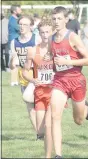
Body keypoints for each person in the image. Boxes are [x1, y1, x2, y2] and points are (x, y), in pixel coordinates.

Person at [50, 6, 88, 158]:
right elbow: (54, 60)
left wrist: (68, 61)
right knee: (55, 116)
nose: (56, 22)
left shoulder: (72, 37)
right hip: (60, 81)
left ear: (66, 20)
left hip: (76, 81)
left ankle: (86, 108)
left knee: (79, 121)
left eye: (59, 18)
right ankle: (58, 154)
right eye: (54, 19)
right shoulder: (51, 38)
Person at [22, 18, 54, 158]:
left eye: (48, 32)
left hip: (54, 92)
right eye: (42, 32)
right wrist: (32, 79)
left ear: (52, 32)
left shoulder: (57, 49)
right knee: (41, 130)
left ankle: (52, 154)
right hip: (40, 92)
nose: (45, 35)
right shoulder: (32, 51)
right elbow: (24, 71)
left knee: (49, 125)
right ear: (38, 33)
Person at [9, 15, 41, 137]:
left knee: (38, 103)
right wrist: (13, 62)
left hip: (37, 74)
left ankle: (44, 129)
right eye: (20, 24)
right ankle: (39, 133)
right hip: (23, 75)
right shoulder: (14, 42)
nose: (22, 27)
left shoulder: (36, 39)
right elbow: (12, 65)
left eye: (25, 24)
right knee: (29, 106)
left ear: (31, 26)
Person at [8, 5, 22, 86]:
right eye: (19, 9)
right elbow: (20, 29)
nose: (21, 10)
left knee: (18, 62)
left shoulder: (15, 19)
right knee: (14, 61)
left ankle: (17, 80)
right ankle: (13, 81)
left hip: (18, 42)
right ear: (14, 11)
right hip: (14, 42)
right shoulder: (13, 20)